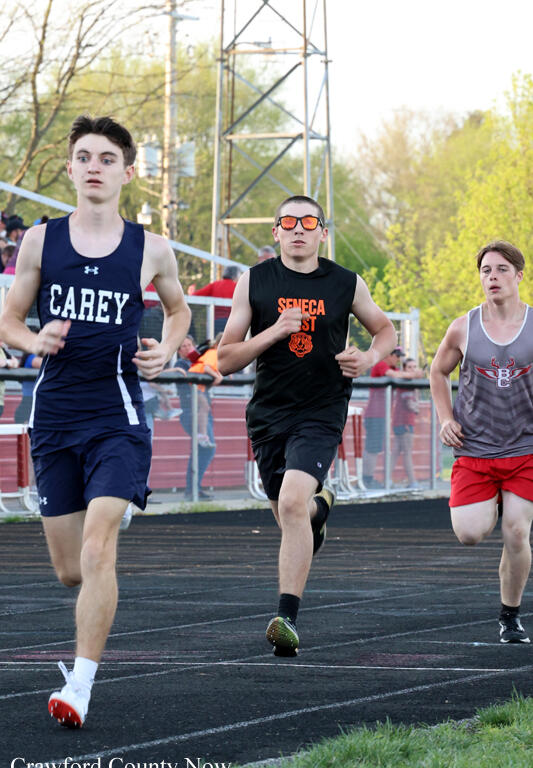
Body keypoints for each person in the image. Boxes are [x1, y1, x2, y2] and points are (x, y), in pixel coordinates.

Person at [0, 114, 190, 727]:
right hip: (54, 417)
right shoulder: (39, 241)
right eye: (84, 156)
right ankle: (103, 530)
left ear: (127, 172)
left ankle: (79, 684)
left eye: (107, 158)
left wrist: (166, 347)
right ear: (71, 168)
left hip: (119, 415)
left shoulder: (150, 247)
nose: (94, 166)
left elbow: (180, 310)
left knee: (97, 546)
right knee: (69, 570)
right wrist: (34, 340)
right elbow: (7, 321)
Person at [218, 194, 397, 656]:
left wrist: (369, 357)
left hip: (321, 410)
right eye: (289, 222)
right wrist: (275, 330)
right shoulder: (253, 282)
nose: (299, 229)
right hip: (269, 414)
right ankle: (321, 510)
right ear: (276, 231)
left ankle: (286, 619)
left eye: (309, 221)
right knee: (289, 513)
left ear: (322, 231)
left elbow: (385, 329)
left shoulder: (345, 283)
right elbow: (226, 358)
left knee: (292, 503)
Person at [430, 240, 533, 644]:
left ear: (519, 275)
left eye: (501, 269)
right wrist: (445, 417)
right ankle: (497, 503)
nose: (493, 277)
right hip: (475, 450)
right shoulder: (463, 327)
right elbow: (437, 372)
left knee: (517, 533)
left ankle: (510, 616)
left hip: (525, 449)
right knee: (470, 533)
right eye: (486, 271)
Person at [362, 347, 423, 488]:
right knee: (372, 448)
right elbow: (395, 375)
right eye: (397, 356)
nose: (398, 359)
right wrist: (415, 375)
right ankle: (367, 480)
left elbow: (401, 375)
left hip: (381, 415)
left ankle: (369, 479)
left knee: (376, 448)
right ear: (388, 354)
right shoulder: (381, 364)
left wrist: (413, 375)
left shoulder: (393, 367)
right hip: (375, 414)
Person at [174, 335, 216, 499]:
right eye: (183, 346)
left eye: (189, 344)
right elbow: (192, 385)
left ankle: (193, 489)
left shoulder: (198, 362)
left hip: (205, 414)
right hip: (191, 413)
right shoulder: (181, 364)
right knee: (206, 449)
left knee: (201, 450)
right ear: (178, 351)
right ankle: (192, 489)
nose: (187, 348)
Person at [188, 333, 222, 447]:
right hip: (194, 381)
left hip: (198, 383)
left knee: (204, 407)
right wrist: (217, 376)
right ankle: (201, 435)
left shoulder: (215, 354)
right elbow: (207, 368)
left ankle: (202, 435)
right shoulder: (213, 352)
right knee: (204, 406)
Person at [390, 357, 419, 488]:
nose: (413, 370)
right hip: (404, 423)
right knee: (407, 452)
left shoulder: (411, 384)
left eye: (414, 367)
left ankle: (387, 479)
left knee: (396, 451)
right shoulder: (405, 385)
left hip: (400, 422)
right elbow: (411, 405)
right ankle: (413, 482)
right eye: (409, 367)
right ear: (404, 369)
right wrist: (416, 408)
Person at [192, 265, 240, 334]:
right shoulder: (238, 286)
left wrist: (191, 292)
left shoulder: (215, 285)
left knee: (215, 343)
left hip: (216, 323)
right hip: (232, 323)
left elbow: (195, 296)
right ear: (236, 275)